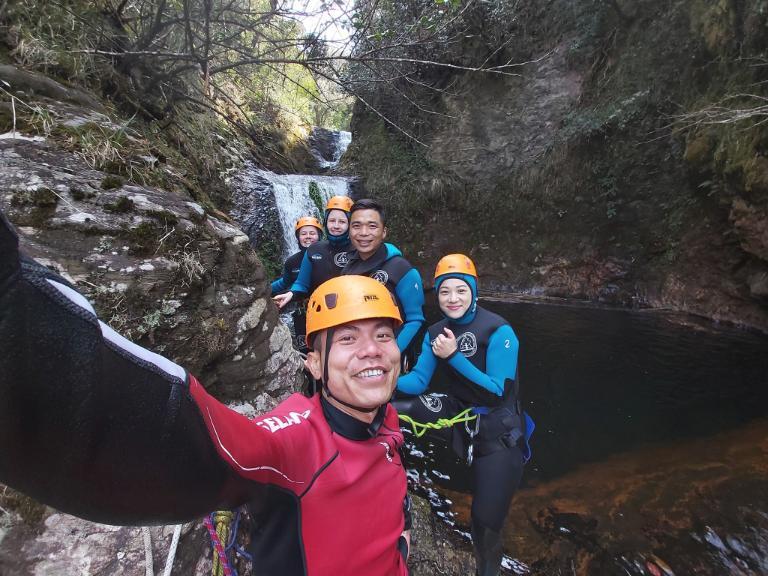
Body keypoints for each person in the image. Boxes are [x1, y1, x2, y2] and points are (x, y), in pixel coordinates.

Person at [0, 210, 411, 576]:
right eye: (347, 340)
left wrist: (402, 539)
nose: (371, 349)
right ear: (314, 364)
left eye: (382, 335)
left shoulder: (384, 418)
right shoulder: (293, 443)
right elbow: (181, 435)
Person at [393, 254, 532, 576]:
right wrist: (381, 381)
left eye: (460, 290)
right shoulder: (436, 331)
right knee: (396, 410)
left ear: (474, 292)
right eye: (444, 292)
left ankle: (488, 570)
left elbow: (496, 392)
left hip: (498, 430)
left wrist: (453, 356)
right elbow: (416, 383)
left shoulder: (499, 331)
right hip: (460, 415)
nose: (452, 298)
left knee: (484, 524)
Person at [342, 198, 425, 355]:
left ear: (384, 232)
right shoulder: (348, 267)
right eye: (356, 226)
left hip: (392, 355)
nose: (363, 233)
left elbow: (415, 321)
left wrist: (390, 353)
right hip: (357, 353)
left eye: (372, 226)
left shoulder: (402, 269)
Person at [273, 195, 353, 311]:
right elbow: (301, 283)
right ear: (326, 222)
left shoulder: (359, 248)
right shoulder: (314, 250)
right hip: (320, 312)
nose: (335, 225)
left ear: (350, 224)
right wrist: (290, 294)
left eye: (342, 221)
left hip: (351, 310)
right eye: (331, 220)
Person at [271, 215, 323, 351]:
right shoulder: (292, 262)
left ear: (319, 236)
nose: (308, 236)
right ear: (298, 237)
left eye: (312, 233)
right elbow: (285, 282)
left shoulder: (327, 256)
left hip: (325, 309)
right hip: (302, 312)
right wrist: (265, 289)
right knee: (306, 349)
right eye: (303, 233)